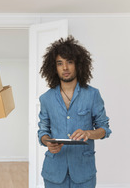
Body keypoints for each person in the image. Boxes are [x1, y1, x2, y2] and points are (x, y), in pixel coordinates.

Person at [37, 36, 112, 188]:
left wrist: (88, 134)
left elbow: (105, 129)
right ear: (54, 67)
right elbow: (42, 132)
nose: (65, 68)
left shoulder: (93, 95)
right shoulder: (46, 99)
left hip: (84, 172)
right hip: (54, 173)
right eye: (60, 63)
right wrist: (48, 142)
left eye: (69, 62)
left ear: (78, 65)